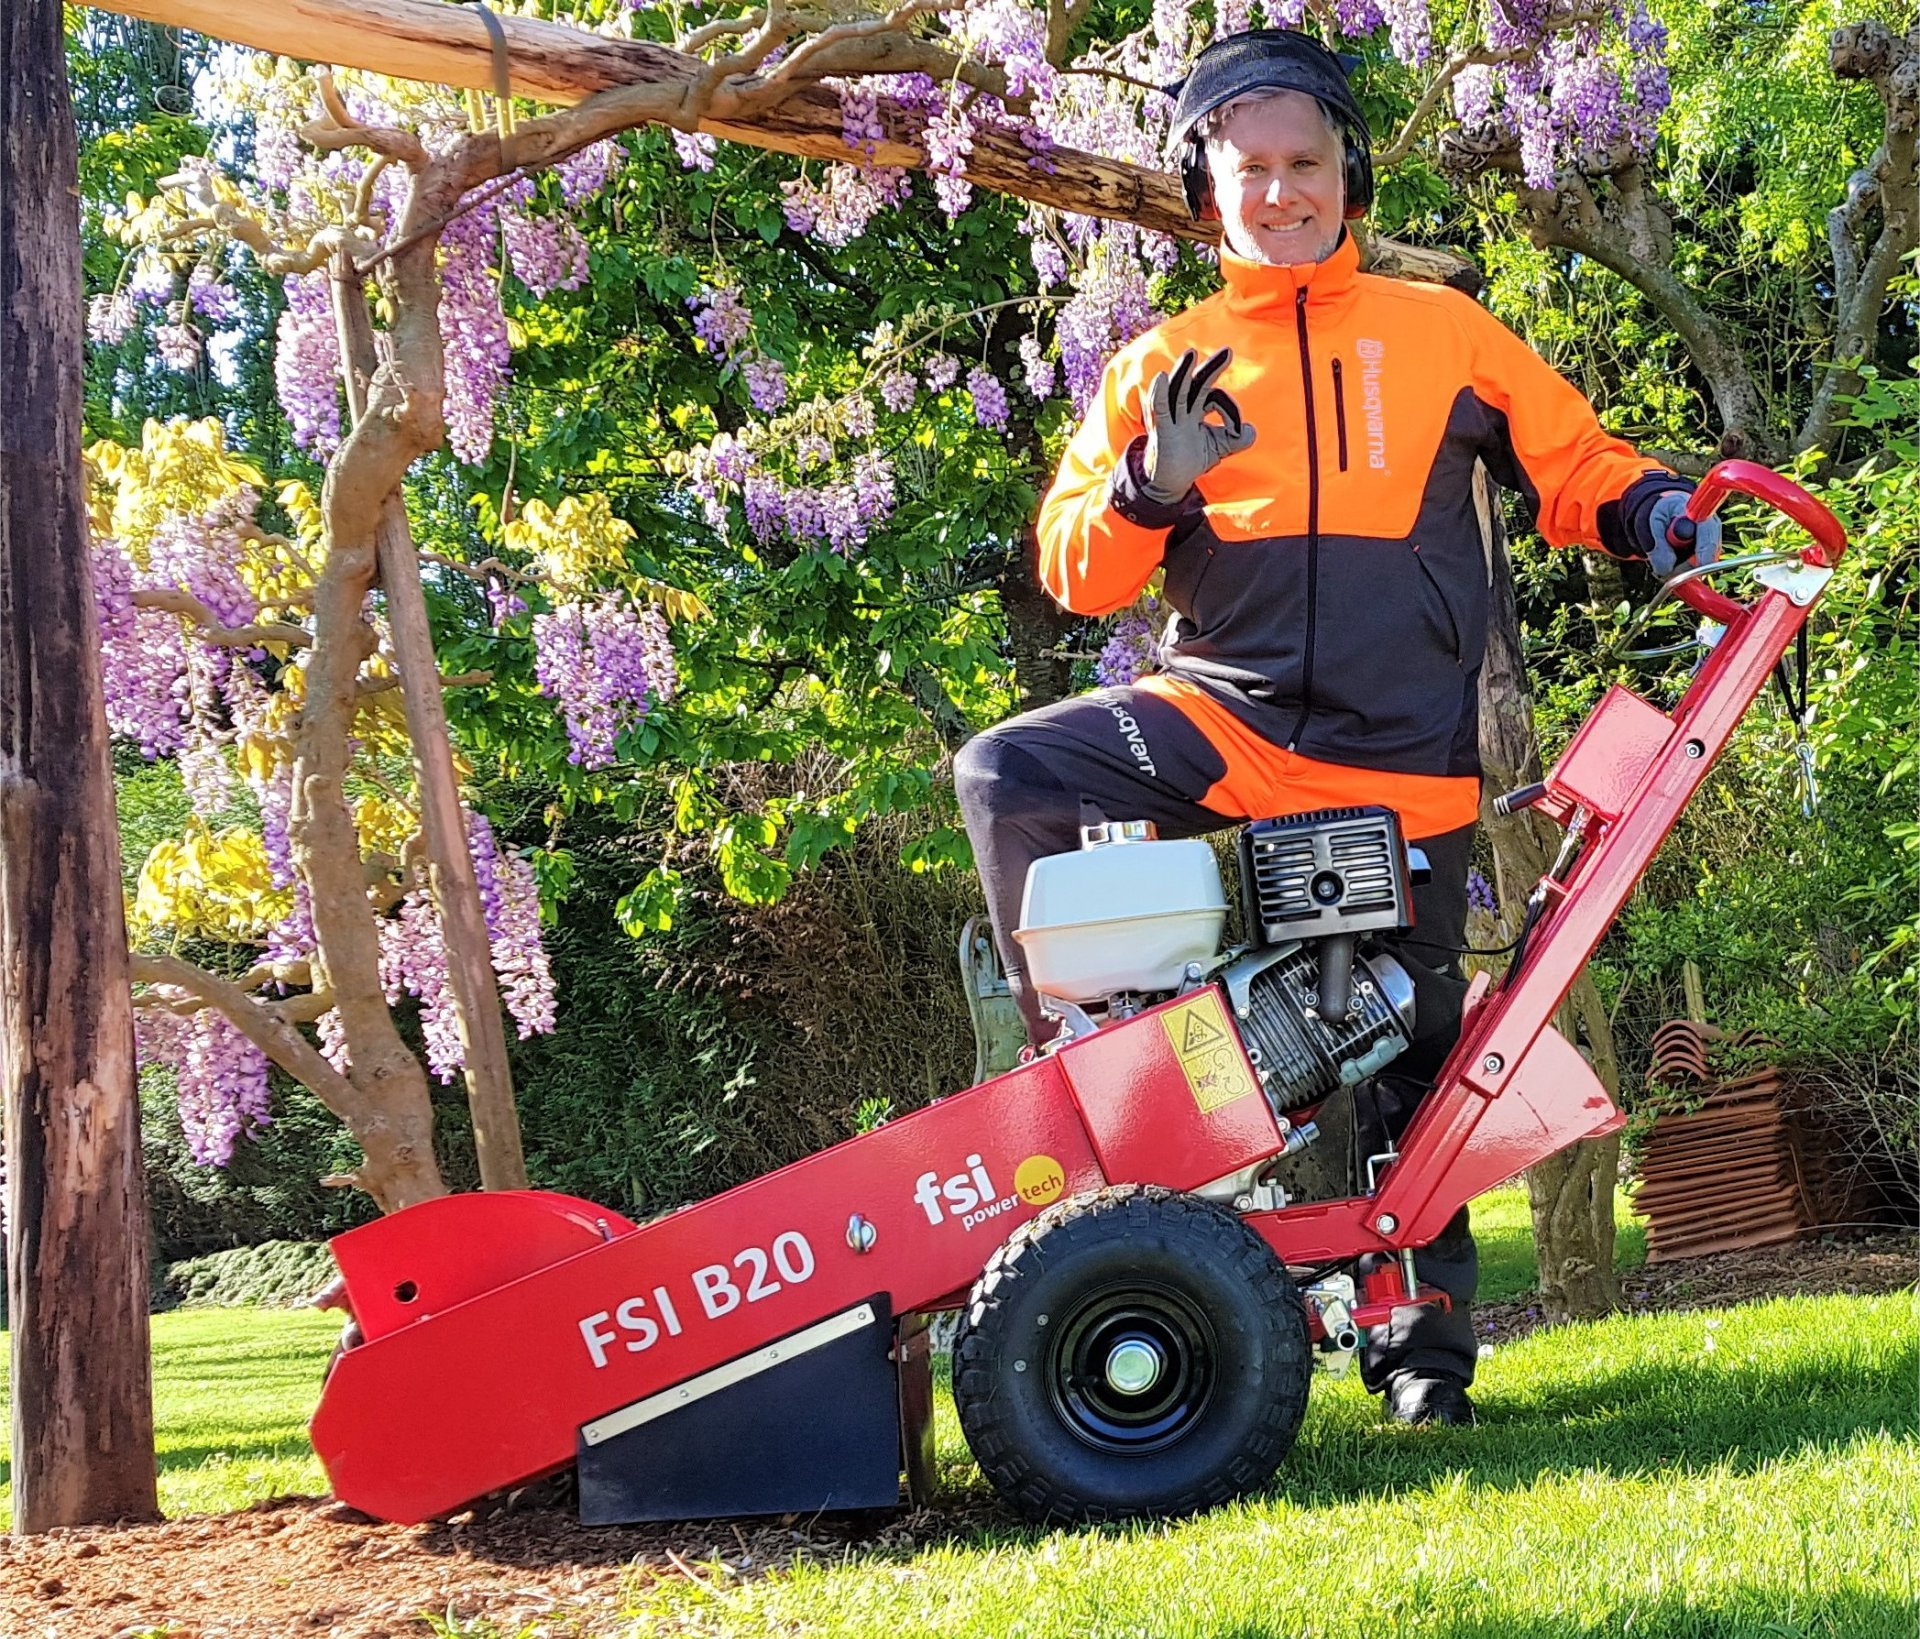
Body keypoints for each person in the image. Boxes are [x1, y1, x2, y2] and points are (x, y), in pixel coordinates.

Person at [953, 28, 1719, 1427]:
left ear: (1349, 174)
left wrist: (1658, 511)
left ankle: (1423, 1357)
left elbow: (1578, 466)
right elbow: (1076, 571)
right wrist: (1148, 485)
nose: (1280, 192)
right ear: (1208, 188)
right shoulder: (1161, 362)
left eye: (1304, 163)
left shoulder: (1441, 334)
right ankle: (1079, 1070)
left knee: (1415, 1056)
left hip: (1397, 764)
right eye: (1250, 169)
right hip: (1220, 723)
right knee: (1009, 768)